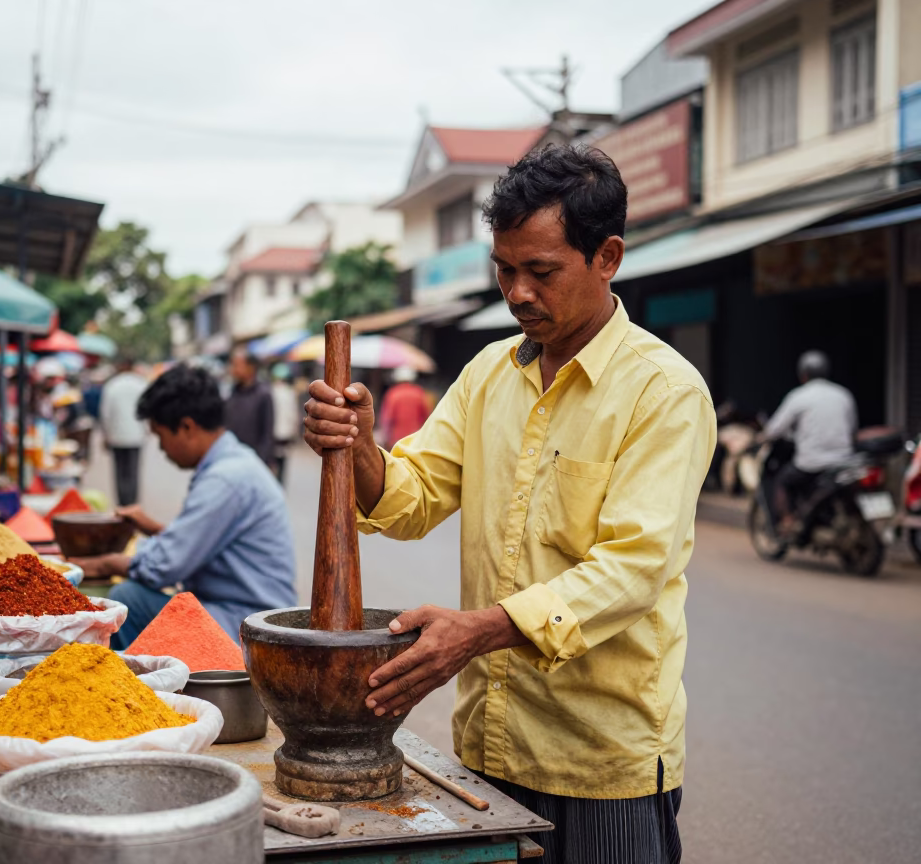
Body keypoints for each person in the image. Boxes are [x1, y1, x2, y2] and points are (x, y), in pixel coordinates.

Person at [303, 144, 716, 864]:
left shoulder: (665, 392)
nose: (518, 291)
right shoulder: (488, 372)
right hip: (488, 742)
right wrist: (360, 446)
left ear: (607, 257)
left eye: (542, 271)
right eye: (505, 270)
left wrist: (479, 630)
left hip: (601, 761)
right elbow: (408, 499)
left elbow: (631, 570)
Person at [72, 365, 296, 645]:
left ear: (187, 427)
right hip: (243, 611)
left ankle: (130, 685)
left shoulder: (226, 479)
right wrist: (156, 530)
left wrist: (102, 564)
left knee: (127, 599)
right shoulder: (233, 461)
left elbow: (164, 567)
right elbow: (198, 543)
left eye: (161, 436)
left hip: (247, 623)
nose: (162, 449)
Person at [763, 350, 858, 530]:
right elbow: (853, 430)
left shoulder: (799, 396)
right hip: (844, 461)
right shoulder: (844, 395)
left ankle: (788, 521)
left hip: (812, 463)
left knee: (782, 481)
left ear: (803, 375)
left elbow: (774, 430)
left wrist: (762, 437)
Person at [99, 357, 149, 507]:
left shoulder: (112, 385)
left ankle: (123, 504)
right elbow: (146, 409)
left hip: (117, 435)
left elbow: (105, 412)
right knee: (133, 472)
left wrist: (106, 433)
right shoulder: (140, 384)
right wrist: (147, 429)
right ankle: (133, 504)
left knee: (120, 472)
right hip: (136, 435)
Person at [224, 348, 275, 468]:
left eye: (236, 365)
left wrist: (261, 463)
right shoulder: (232, 393)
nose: (233, 369)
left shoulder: (263, 395)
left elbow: (267, 434)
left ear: (250, 367)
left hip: (253, 463)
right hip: (231, 460)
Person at [378, 366, 431, 449]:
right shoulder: (419, 393)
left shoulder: (393, 393)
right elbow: (426, 417)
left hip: (397, 440)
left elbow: (387, 419)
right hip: (415, 438)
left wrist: (385, 436)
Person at [270, 363, 301, 485]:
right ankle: (280, 484)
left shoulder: (270, 392)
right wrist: (294, 431)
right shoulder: (289, 393)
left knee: (272, 461)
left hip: (272, 432)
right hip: (285, 433)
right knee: (282, 461)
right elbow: (293, 415)